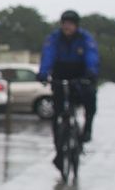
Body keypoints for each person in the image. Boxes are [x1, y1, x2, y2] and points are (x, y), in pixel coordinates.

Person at [38, 10, 100, 169]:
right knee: (57, 113)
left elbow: (91, 55)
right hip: (60, 74)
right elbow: (48, 55)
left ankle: (87, 130)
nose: (67, 26)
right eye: (64, 23)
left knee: (90, 98)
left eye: (70, 23)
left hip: (80, 74)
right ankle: (59, 149)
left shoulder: (85, 39)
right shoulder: (54, 38)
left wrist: (91, 73)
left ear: (76, 25)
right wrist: (44, 73)